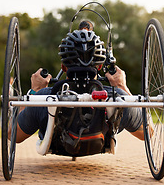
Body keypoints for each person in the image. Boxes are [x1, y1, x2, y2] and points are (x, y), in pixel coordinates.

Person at [9, 20, 145, 144]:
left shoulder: (44, 97)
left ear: (63, 67)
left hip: (57, 144)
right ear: (99, 66)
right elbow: (147, 133)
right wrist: (122, 86)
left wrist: (35, 91)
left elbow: (13, 135)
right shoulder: (118, 98)